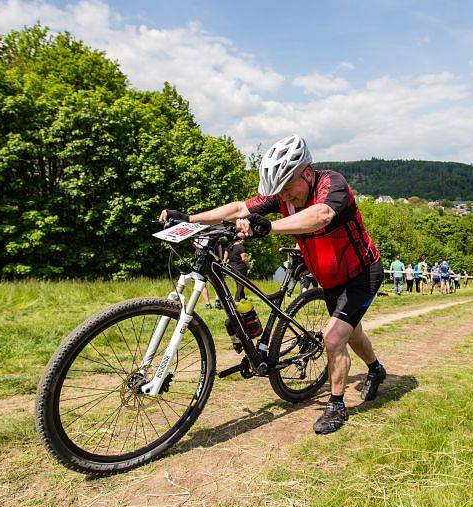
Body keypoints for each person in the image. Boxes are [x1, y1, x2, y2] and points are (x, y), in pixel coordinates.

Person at [160, 134, 386, 434]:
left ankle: (337, 405)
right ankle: (376, 369)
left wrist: (269, 226)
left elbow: (321, 215)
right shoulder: (283, 196)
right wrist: (191, 218)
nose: (285, 196)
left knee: (332, 338)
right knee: (351, 333)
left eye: (288, 187)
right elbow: (238, 208)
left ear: (306, 173)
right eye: (279, 191)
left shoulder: (332, 183)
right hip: (329, 277)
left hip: (362, 273)